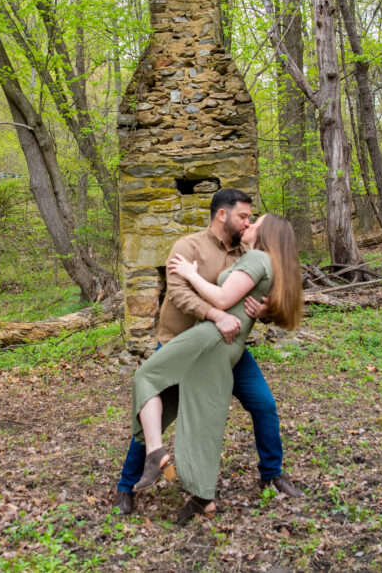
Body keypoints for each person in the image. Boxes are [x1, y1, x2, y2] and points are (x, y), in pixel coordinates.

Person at [114, 191, 304, 517]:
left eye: (251, 219)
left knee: (264, 405)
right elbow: (177, 291)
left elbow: (269, 290)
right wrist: (215, 314)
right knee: (154, 413)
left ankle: (271, 475)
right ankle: (126, 486)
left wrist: (268, 309)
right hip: (181, 341)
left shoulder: (249, 253)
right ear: (222, 215)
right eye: (243, 216)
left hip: (226, 347)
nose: (247, 222)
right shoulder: (188, 247)